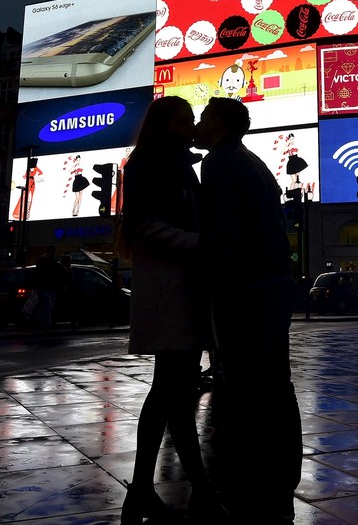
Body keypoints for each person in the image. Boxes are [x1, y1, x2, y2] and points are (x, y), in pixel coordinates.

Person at [116, 96, 228, 524]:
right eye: (182, 121)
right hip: (170, 287)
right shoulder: (149, 163)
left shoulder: (177, 162)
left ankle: (155, 491)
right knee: (170, 392)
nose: (190, 127)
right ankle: (184, 492)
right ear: (164, 125)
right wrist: (200, 245)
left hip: (183, 286)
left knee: (174, 395)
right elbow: (142, 222)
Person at [194, 96, 300, 524]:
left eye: (202, 119)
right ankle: (281, 470)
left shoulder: (218, 163)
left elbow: (224, 233)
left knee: (245, 381)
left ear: (219, 123)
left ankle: (252, 471)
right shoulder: (252, 161)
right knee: (275, 379)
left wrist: (216, 283)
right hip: (272, 284)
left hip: (245, 288)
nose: (198, 127)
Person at [33, 244, 68, 331]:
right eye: (53, 251)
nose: (54, 253)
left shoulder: (49, 261)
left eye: (54, 252)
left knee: (48, 306)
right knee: (48, 305)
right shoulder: (46, 261)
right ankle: (45, 324)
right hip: (46, 286)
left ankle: (39, 322)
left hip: (49, 286)